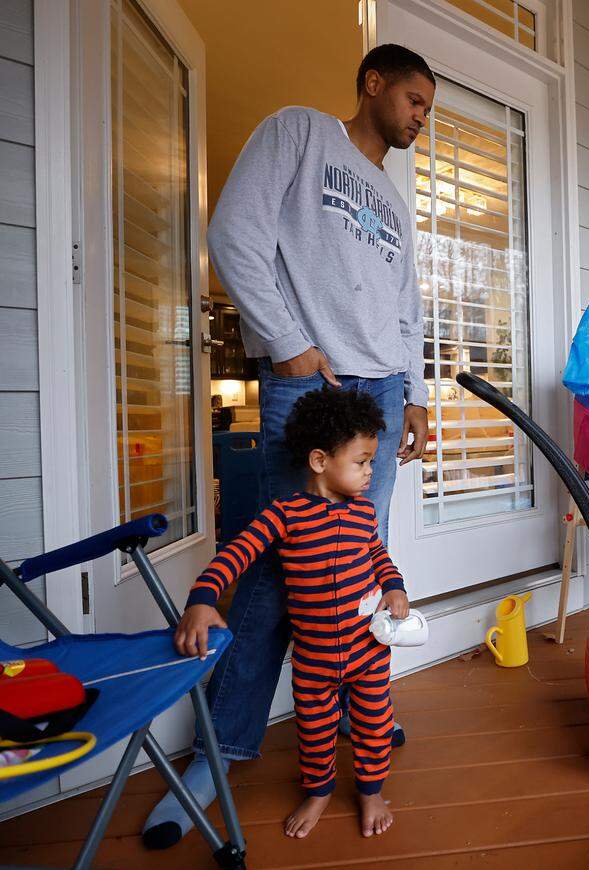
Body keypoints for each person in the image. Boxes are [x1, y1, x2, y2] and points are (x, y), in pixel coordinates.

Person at [143, 44, 435, 848]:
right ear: (373, 83)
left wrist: (412, 393)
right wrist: (290, 346)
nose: (420, 115)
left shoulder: (395, 203)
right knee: (282, 557)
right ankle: (223, 747)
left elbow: (406, 308)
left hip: (379, 387)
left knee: (362, 552)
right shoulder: (300, 134)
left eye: (427, 107)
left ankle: (357, 715)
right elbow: (232, 233)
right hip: (310, 378)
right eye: (413, 98)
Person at [176, 387, 408, 838]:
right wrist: (202, 599)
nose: (369, 473)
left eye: (371, 462)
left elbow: (377, 555)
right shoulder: (284, 515)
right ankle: (319, 792)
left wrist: (395, 587)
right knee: (315, 732)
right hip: (315, 661)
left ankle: (371, 790)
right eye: (361, 461)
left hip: (369, 651)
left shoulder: (362, 514)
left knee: (376, 723)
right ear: (320, 461)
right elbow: (236, 555)